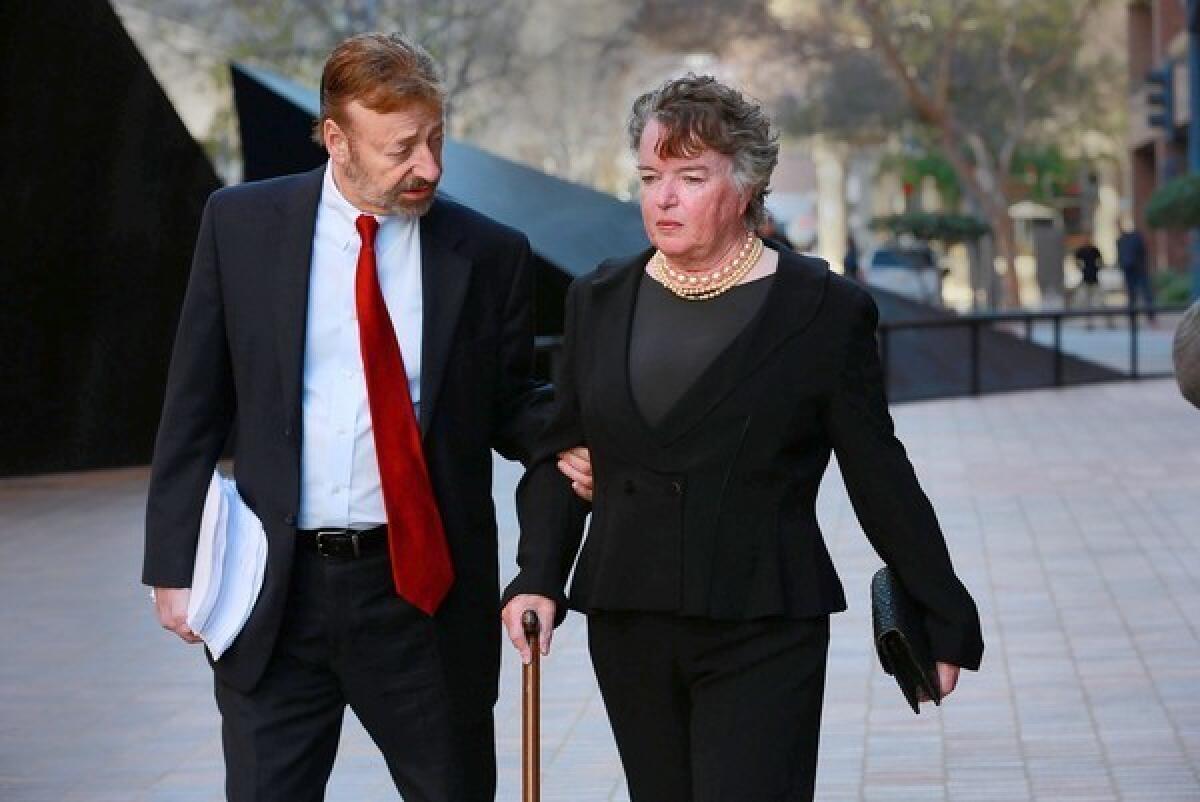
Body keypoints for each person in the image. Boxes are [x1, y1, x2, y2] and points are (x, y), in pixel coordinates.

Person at [500, 75, 984, 801]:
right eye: (650, 176)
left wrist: (942, 610)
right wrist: (538, 573)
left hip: (764, 619)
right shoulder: (598, 298)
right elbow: (565, 454)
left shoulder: (822, 309)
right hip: (631, 619)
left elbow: (877, 470)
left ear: (748, 184)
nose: (663, 197)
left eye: (690, 177)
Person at [144, 33, 555, 802]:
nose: (427, 166)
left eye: (436, 139)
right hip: (276, 594)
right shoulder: (241, 225)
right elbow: (193, 402)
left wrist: (574, 440)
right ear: (336, 139)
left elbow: (506, 403)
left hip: (425, 599)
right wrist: (172, 562)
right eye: (402, 148)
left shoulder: (490, 252)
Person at [1116, 225, 1156, 324]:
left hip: (1139, 270)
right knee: (1132, 296)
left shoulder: (1136, 237)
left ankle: (1151, 318)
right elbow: (1120, 255)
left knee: (1146, 294)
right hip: (1129, 271)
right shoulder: (1120, 240)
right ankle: (1133, 319)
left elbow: (1143, 252)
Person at [1073, 240, 1107, 328]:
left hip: (1094, 279)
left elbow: (1101, 261)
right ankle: (1088, 322)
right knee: (1085, 301)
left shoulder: (1094, 250)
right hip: (1085, 279)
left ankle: (1108, 321)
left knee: (1101, 300)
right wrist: (1081, 269)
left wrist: (1097, 268)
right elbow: (1076, 261)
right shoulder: (1081, 251)